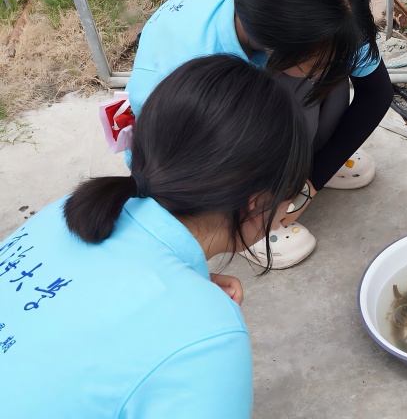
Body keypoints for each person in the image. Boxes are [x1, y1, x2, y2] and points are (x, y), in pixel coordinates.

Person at [0, 55, 311, 417]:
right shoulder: (208, 341)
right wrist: (192, 312)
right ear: (256, 204)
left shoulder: (65, 212)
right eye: (292, 197)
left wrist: (181, 290)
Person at [125, 0, 392, 269]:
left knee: (325, 80)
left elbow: (375, 92)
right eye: (317, 59)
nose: (338, 63)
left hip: (261, 76)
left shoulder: (327, 8)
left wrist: (314, 178)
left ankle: (297, 172)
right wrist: (245, 209)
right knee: (280, 107)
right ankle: (257, 215)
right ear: (275, 49)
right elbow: (167, 168)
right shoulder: (187, 63)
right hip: (193, 144)